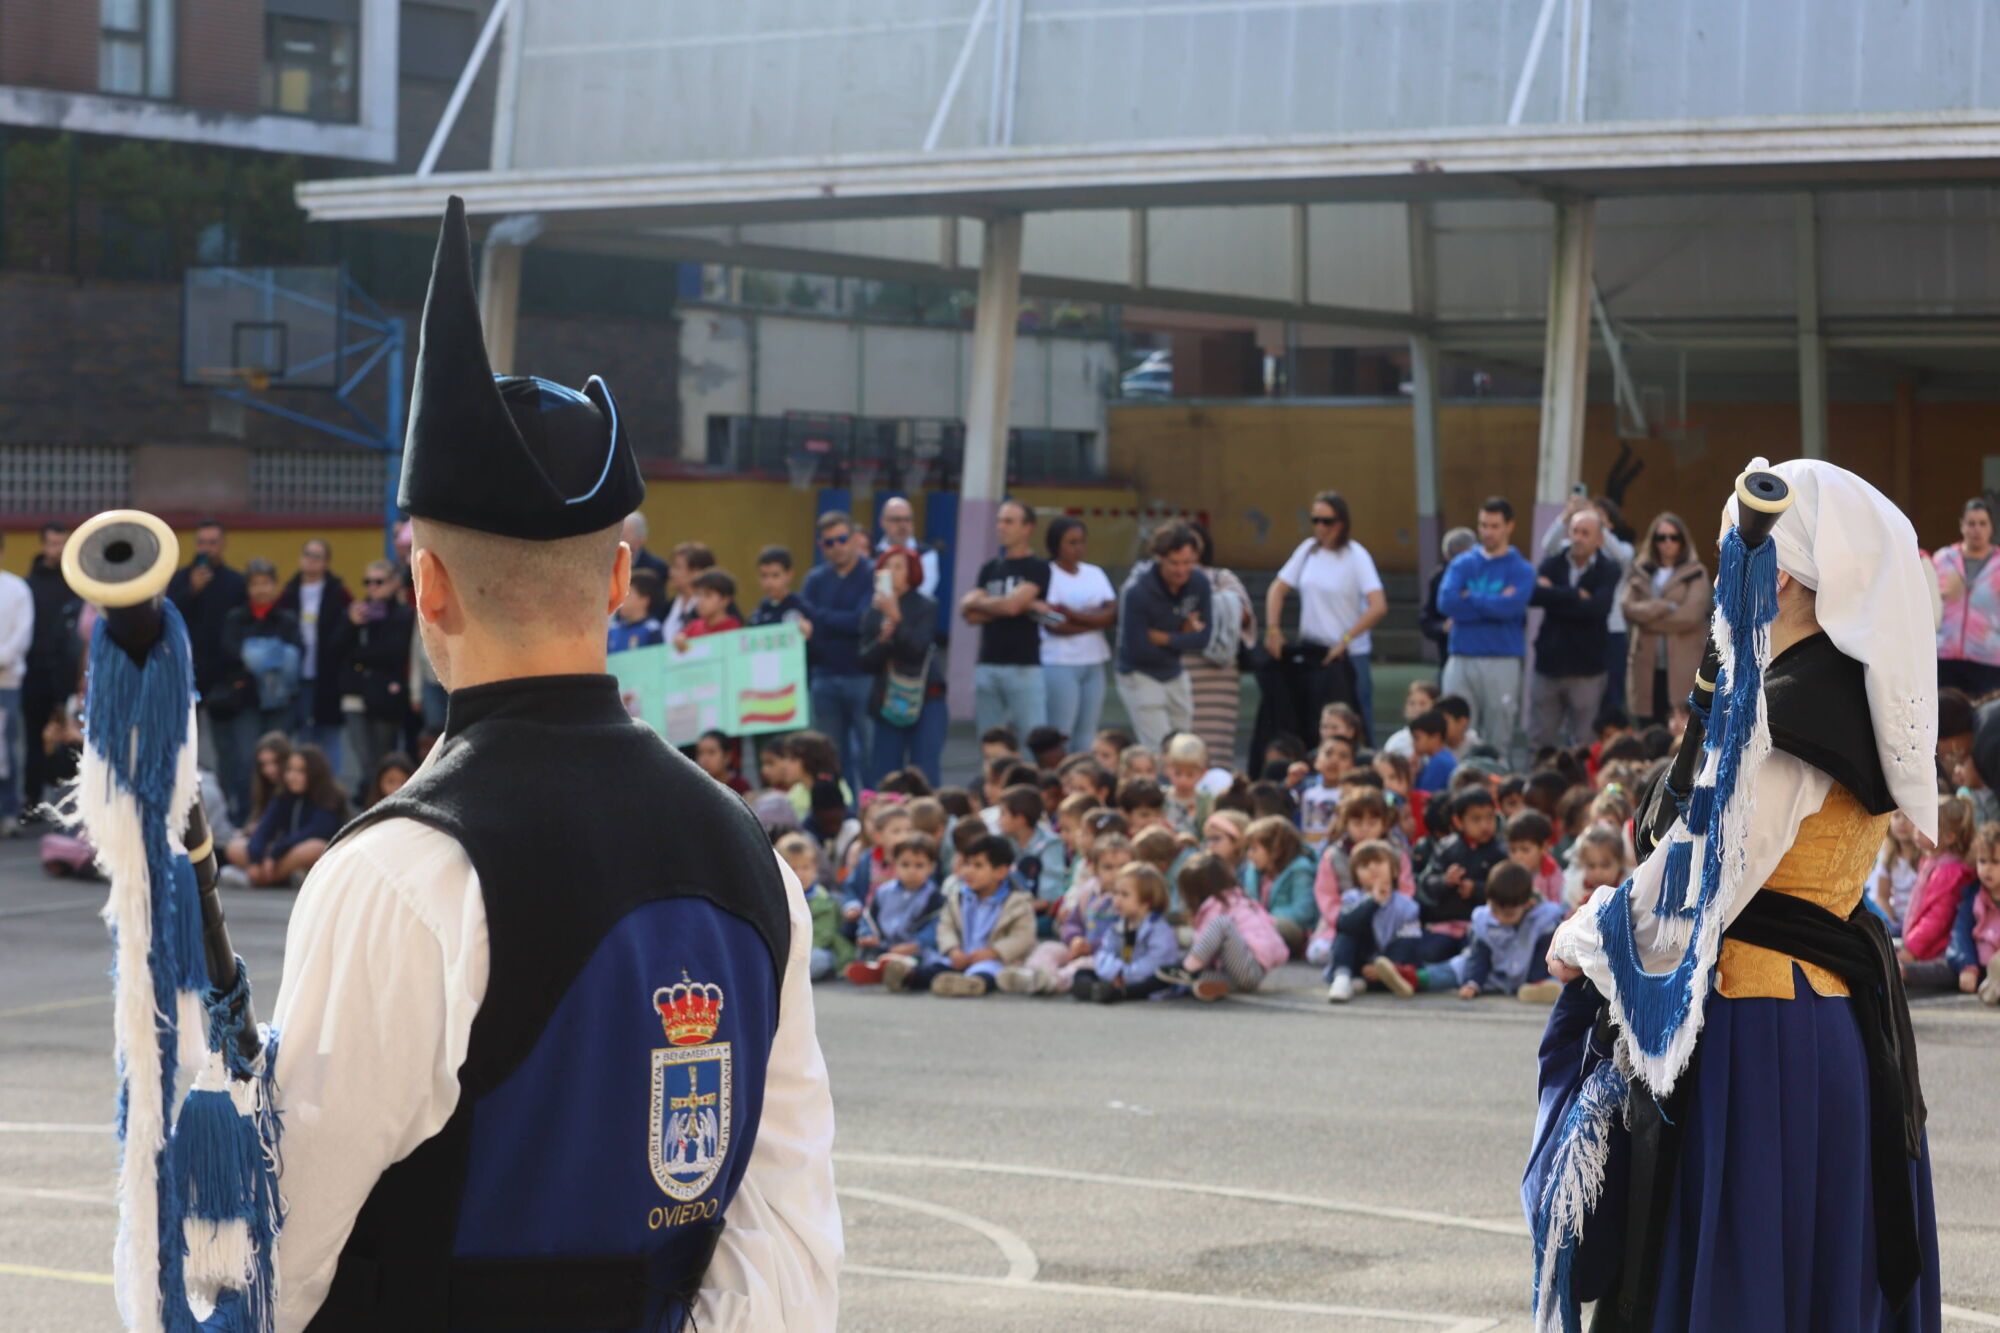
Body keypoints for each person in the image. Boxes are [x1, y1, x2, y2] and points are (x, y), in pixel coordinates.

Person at [269, 198, 838, 1330]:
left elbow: (271, 1256)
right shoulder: (748, 853)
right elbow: (782, 1241)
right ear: (621, 580)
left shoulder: (398, 872)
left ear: (426, 588)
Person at [1538, 458, 1940, 1331]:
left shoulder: (1791, 712)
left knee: (1749, 1271)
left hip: (1762, 1028)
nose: (1728, 569)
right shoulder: (1830, 690)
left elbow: (1704, 872)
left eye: (1736, 550)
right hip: (1818, 1022)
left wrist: (1580, 936)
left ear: (1784, 572)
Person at [1265, 491, 1387, 742]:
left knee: (1356, 721)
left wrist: (1345, 639)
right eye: (1315, 521)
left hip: (1348, 654)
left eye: (1327, 521)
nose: (1320, 527)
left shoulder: (1355, 555)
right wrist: (1273, 629)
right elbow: (1277, 588)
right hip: (1314, 652)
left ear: (1341, 523)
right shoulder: (1308, 551)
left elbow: (1378, 606)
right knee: (1312, 721)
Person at [1374, 861, 1565, 1001]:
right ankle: (1412, 978)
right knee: (1452, 970)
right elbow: (1479, 955)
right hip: (1489, 972)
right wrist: (1473, 983)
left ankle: (1539, 989)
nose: (1500, 917)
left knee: (1556, 977)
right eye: (1495, 910)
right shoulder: (1484, 919)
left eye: (1508, 914)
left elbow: (1544, 955)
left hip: (1528, 973)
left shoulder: (1544, 920)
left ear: (1528, 903)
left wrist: (1535, 980)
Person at [1437, 498, 1535, 767]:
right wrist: (1493, 602)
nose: (1488, 532)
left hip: (1501, 658)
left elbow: (1512, 607)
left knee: (1498, 734)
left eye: (1494, 526)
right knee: (1454, 732)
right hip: (1461, 656)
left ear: (1509, 527)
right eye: (1483, 525)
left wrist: (1471, 599)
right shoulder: (1463, 564)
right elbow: (1446, 602)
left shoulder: (1521, 569)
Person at [885, 833, 1034, 996]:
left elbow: (1022, 937)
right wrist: (953, 950)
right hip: (960, 957)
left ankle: (972, 985)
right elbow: (945, 927)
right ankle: (908, 977)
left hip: (994, 959)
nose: (969, 871)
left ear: (1000, 871)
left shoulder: (1017, 902)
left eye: (978, 866)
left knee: (988, 972)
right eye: (966, 864)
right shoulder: (958, 898)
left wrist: (993, 952)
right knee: (936, 968)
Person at [215, 559, 305, 822]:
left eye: (267, 583)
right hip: (246, 701)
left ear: (275, 586)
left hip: (281, 702)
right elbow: (232, 653)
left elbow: (295, 656)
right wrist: (271, 655)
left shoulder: (287, 618)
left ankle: (281, 816)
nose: (262, 589)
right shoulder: (236, 618)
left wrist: (255, 653)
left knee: (280, 759)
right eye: (256, 584)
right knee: (247, 760)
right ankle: (247, 815)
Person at [1528, 508, 1622, 751]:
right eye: (1575, 531)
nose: (1578, 538)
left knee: (1584, 741)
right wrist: (1574, 595)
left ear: (1599, 539)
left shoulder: (1608, 569)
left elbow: (1597, 608)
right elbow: (1535, 595)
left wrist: (1556, 597)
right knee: (1541, 739)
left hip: (1587, 669)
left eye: (1585, 533)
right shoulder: (1553, 563)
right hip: (1549, 666)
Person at [1114, 523, 1213, 752]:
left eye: (1188, 563)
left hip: (1174, 670)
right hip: (1139, 672)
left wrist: (1166, 638)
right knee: (1159, 749)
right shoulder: (1137, 591)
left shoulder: (1198, 582)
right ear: (1159, 558)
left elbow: (1205, 638)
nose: (1181, 571)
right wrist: (1183, 634)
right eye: (1174, 563)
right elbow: (1138, 648)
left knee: (1184, 745)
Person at [166, 518, 249, 789]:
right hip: (184, 673)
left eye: (213, 543)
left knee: (227, 747)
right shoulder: (179, 579)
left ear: (223, 545)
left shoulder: (236, 583)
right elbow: (167, 616)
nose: (207, 548)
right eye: (202, 542)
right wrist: (192, 591)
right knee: (184, 743)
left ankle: (228, 802)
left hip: (223, 676)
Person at [961, 499, 1052, 737]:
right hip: (988, 666)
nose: (1001, 527)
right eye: (999, 521)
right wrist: (1021, 605)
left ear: (1027, 528)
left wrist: (989, 604)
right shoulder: (990, 568)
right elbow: (968, 613)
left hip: (1023, 668)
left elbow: (1010, 607)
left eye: (1009, 522)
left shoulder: (1038, 568)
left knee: (1032, 740)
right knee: (990, 742)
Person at [799, 509, 876, 791]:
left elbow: (862, 622)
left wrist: (822, 618)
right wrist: (835, 620)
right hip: (824, 677)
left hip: (862, 675)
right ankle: (841, 813)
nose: (837, 546)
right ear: (821, 546)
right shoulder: (815, 579)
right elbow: (805, 618)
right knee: (830, 757)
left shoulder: (872, 573)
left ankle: (871, 809)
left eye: (842, 539)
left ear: (855, 539)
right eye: (829, 542)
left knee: (869, 754)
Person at [1542, 493, 1637, 715]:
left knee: (1610, 695)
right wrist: (1566, 516)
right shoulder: (1573, 548)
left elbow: (1622, 558)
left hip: (1612, 631)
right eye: (1580, 525)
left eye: (1595, 520)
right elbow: (1549, 546)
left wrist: (1599, 528)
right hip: (1578, 632)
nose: (1582, 533)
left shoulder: (1620, 548)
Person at [858, 546, 945, 787]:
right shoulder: (874, 611)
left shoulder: (925, 605)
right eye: (887, 566)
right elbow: (865, 661)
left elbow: (917, 648)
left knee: (925, 768)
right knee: (884, 771)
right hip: (887, 699)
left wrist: (897, 620)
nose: (892, 572)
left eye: (899, 567)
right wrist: (882, 641)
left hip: (926, 696)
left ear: (912, 572)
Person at [1620, 511, 1712, 726]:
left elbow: (1690, 615)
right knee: (1647, 728)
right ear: (1653, 541)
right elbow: (1627, 607)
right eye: (1661, 538)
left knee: (1680, 729)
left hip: (1682, 665)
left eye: (1673, 537)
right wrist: (1662, 607)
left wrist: (1648, 619)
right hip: (1646, 665)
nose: (1667, 543)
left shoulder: (1696, 572)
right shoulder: (1641, 570)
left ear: (1683, 541)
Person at [1037, 516, 1117, 754]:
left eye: (1082, 541)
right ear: (1055, 545)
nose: (1078, 548)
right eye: (1071, 542)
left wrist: (1072, 614)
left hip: (1093, 660)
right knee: (1062, 731)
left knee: (1087, 732)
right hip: (1059, 661)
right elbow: (1053, 623)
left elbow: (1112, 614)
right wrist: (1094, 620)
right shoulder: (1046, 574)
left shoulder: (1095, 573)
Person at [336, 557, 415, 796]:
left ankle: (380, 804)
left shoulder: (402, 615)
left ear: (394, 583)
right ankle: (369, 803)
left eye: (379, 581)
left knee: (383, 757)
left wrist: (358, 655)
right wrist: (351, 625)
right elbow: (335, 649)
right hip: (355, 693)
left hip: (385, 696)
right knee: (364, 759)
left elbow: (393, 653)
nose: (372, 587)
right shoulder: (357, 612)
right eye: (367, 581)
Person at [1162, 851, 1289, 1000]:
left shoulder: (1218, 905)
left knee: (1222, 924)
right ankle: (1213, 986)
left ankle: (1186, 971)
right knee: (1199, 975)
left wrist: (1186, 963)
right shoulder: (1238, 899)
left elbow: (1203, 943)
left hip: (1248, 967)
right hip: (1244, 973)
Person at [277, 538, 353, 780]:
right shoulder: (289, 592)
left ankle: (331, 786)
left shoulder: (338, 592)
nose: (310, 559)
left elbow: (347, 633)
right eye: (307, 553)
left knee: (328, 734)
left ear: (326, 562)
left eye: (317, 555)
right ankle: (303, 782)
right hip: (296, 675)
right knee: (301, 734)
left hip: (328, 674)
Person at [1181, 520, 1254, 762]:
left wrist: (1212, 609)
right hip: (1180, 670)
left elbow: (1245, 616)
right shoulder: (1166, 580)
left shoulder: (1221, 577)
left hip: (1218, 675)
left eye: (1194, 541)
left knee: (1217, 747)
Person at [20, 524, 79, 819]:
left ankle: (65, 803)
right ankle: (32, 801)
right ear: (43, 545)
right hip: (35, 675)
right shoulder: (28, 585)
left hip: (67, 676)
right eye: (52, 544)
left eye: (62, 544)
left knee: (70, 739)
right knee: (34, 740)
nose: (57, 550)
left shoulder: (75, 583)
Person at [1324, 839, 1424, 1002]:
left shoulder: (1407, 906)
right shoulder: (1351, 898)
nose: (1372, 868)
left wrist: (1387, 965)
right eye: (1364, 866)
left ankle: (1373, 981)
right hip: (1360, 959)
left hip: (1390, 963)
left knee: (1407, 948)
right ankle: (1342, 978)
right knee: (1346, 934)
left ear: (1394, 870)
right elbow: (1344, 924)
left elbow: (1409, 941)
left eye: (1378, 862)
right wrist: (1372, 901)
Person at [1069, 864, 1180, 1004]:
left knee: (1157, 981)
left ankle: (1119, 992)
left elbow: (1155, 963)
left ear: (1146, 902)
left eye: (1124, 895)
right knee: (1082, 974)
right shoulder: (1118, 925)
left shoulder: (1158, 929)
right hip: (1119, 974)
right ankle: (1098, 990)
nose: (1117, 900)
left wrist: (1124, 975)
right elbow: (1104, 953)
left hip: (1143, 978)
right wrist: (1114, 972)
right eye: (1115, 893)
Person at [844, 832, 946, 984]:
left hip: (915, 948)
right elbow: (869, 918)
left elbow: (935, 926)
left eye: (919, 865)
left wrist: (915, 944)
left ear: (931, 867)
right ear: (895, 865)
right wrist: (867, 935)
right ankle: (878, 969)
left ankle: (900, 971)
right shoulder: (884, 891)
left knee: (928, 959)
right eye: (905, 864)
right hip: (885, 945)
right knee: (870, 952)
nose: (912, 871)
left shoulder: (934, 897)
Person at [241, 745, 348, 888]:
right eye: (289, 770)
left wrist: (275, 853)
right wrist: (256, 858)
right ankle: (277, 875)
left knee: (314, 847)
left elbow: (316, 832)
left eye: (300, 771)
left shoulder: (330, 797)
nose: (292, 776)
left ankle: (264, 878)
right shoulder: (283, 795)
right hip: (284, 852)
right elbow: (264, 829)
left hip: (310, 853)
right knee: (236, 846)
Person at [1934, 496, 2000, 699]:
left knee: (1985, 724)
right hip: (1944, 656)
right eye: (1971, 523)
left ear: (1991, 528)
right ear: (1962, 525)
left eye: (1982, 523)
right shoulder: (1943, 559)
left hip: (1988, 660)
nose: (1976, 529)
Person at [1243, 815, 1318, 955]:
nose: (1249, 855)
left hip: (1291, 929)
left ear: (1275, 850)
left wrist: (1264, 918)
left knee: (1278, 927)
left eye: (1254, 849)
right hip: (1258, 924)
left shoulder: (1300, 870)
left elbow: (1303, 912)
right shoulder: (1255, 873)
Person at [0, 540, 30, 835]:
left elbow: (22, 635)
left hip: (6, 682)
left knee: (6, 748)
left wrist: (2, 658)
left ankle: (8, 811)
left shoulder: (17, 589)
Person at [1420, 526, 1476, 673]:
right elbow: (1426, 621)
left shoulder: (1485, 574)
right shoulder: (1439, 579)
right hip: (1449, 656)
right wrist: (1443, 627)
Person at [874, 495, 940, 597]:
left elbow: (923, 593)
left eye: (907, 519)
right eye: (896, 519)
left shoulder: (926, 554)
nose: (903, 525)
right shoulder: (872, 552)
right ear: (883, 522)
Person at [662, 540, 718, 645]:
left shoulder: (716, 606)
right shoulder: (666, 607)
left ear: (697, 573)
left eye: (677, 567)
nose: (671, 572)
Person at [749, 545, 811, 632]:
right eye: (764, 576)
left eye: (775, 575)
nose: (769, 582)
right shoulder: (759, 613)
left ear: (789, 575)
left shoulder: (802, 609)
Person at [675, 569, 742, 648]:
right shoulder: (693, 627)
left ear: (725, 600)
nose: (700, 600)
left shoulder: (734, 629)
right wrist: (678, 641)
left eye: (708, 595)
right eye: (698, 595)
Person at [622, 511, 670, 617]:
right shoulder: (610, 564)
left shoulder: (656, 567)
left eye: (624, 535)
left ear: (641, 538)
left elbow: (658, 605)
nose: (619, 540)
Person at [608, 568, 666, 652]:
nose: (621, 600)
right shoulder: (613, 629)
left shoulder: (652, 630)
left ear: (644, 600)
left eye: (627, 595)